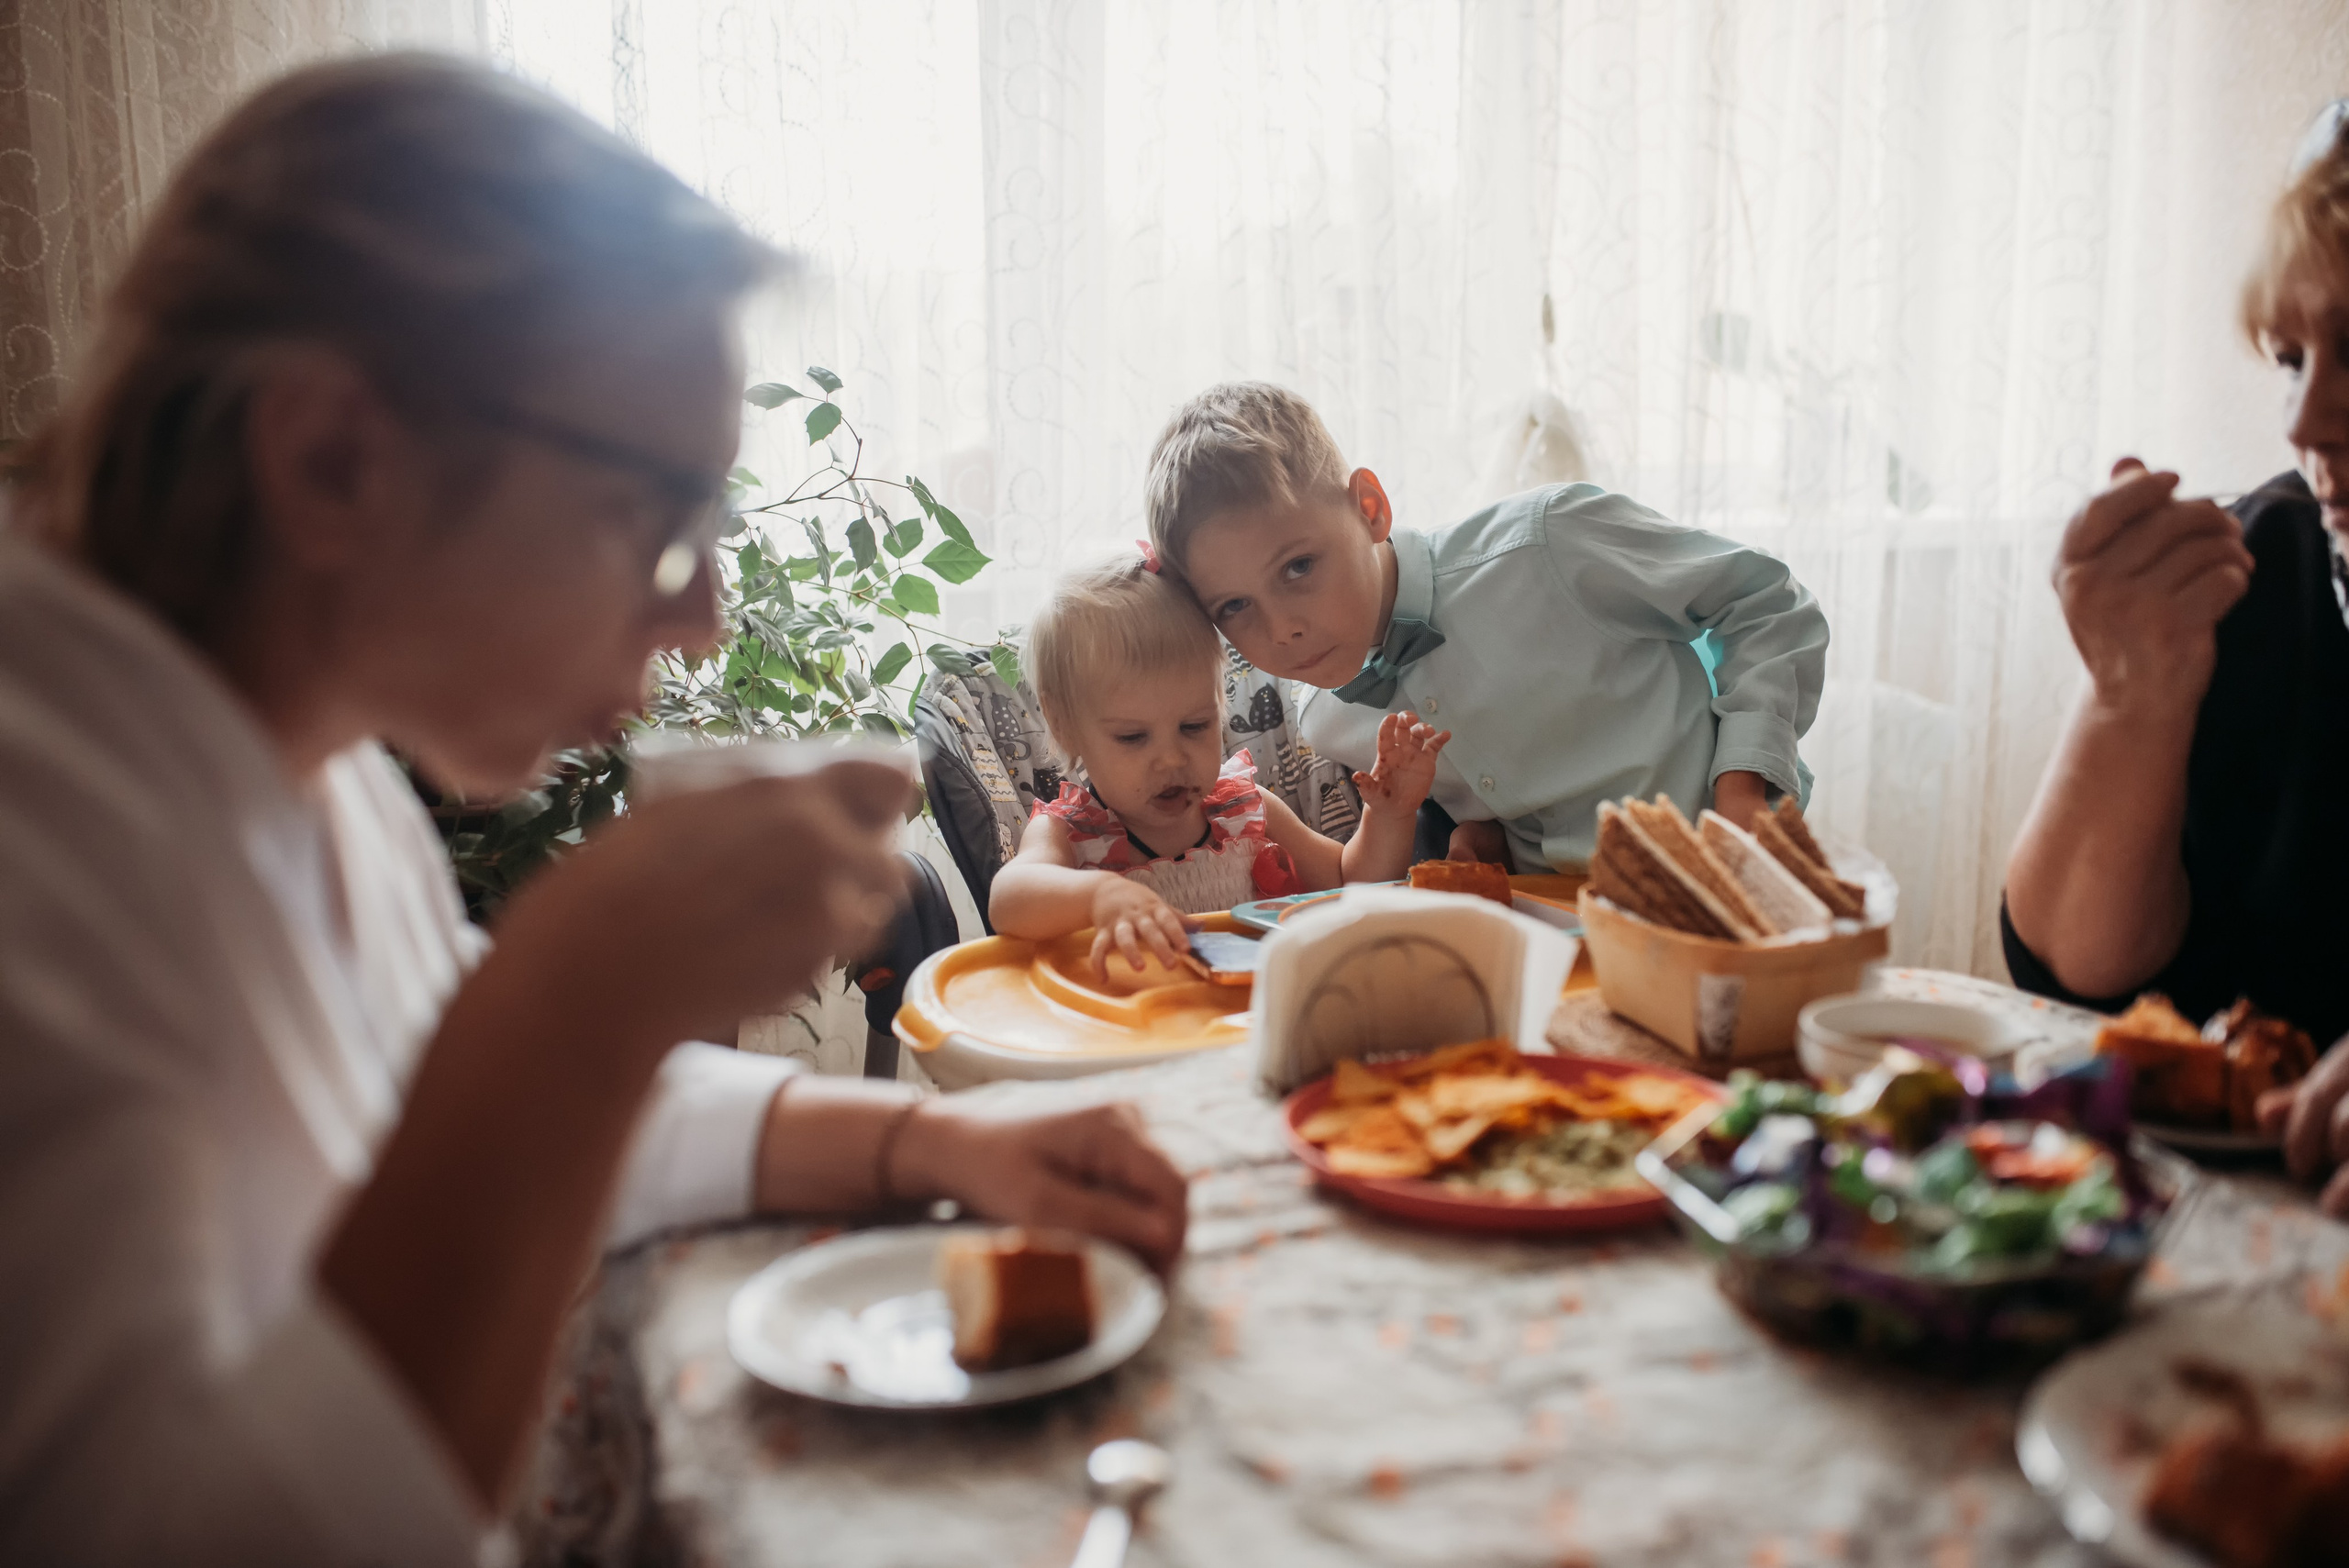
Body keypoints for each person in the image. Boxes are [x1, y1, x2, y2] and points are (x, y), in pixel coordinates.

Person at [0, 54, 1187, 1566]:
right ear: (332, 458)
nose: (698, 619)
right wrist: (578, 989)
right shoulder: (40, 828)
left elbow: (490, 1126)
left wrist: (933, 1149)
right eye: (661, 520)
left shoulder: (305, 756)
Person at [2002, 104, 2349, 1217]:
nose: (2305, 418)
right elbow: (2077, 969)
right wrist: (2126, 698)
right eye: (2291, 355)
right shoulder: (2267, 566)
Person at [1141, 382, 1830, 874]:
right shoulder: (1329, 721)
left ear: (1370, 508)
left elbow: (1765, 602)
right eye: (1234, 607)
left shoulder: (1549, 541)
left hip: (1740, 871)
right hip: (1566, 942)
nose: (1281, 630)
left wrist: (1745, 793)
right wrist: (1478, 837)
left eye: (1297, 567)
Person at [988, 550, 1449, 971]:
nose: (1171, 759)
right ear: (1065, 724)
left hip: (1251, 1025)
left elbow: (1351, 884)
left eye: (1194, 727)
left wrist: (1389, 814)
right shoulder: (1069, 835)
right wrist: (1099, 896)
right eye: (1133, 737)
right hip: (1139, 1037)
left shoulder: (1246, 809)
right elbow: (1007, 899)